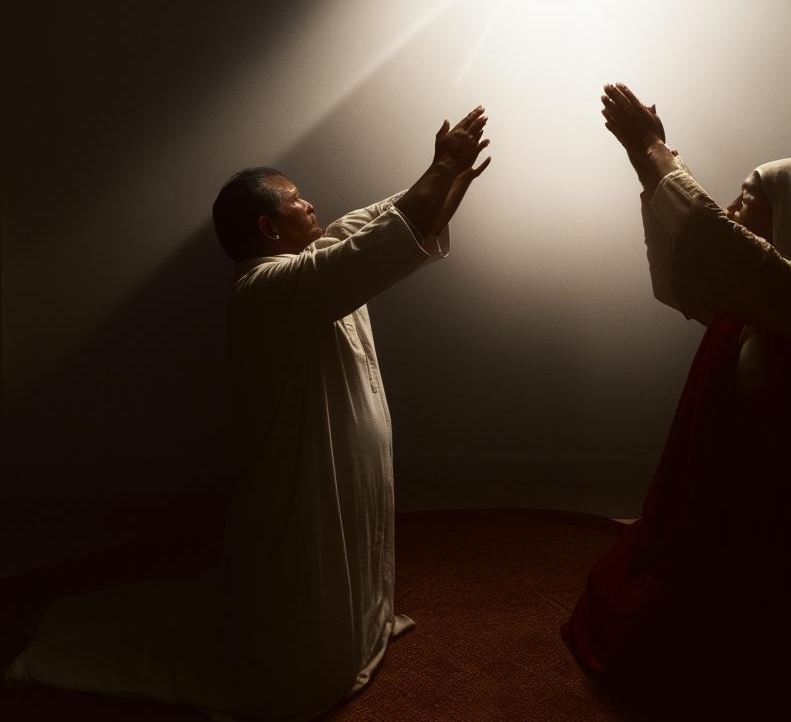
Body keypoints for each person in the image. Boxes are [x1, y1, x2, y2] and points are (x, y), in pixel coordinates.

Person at [6, 107, 491, 720]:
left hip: (335, 477)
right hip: (301, 498)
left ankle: (355, 626)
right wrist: (444, 164)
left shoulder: (315, 263)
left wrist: (446, 177)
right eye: (297, 200)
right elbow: (384, 237)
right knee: (303, 668)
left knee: (352, 591)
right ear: (268, 226)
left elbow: (390, 225)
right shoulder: (267, 289)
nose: (312, 205)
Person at [563, 84, 791, 705]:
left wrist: (654, 148)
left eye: (750, 196)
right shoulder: (760, 299)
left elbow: (717, 241)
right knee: (628, 604)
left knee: (667, 646)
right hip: (717, 505)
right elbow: (694, 271)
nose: (734, 205)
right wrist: (644, 164)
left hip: (759, 525)